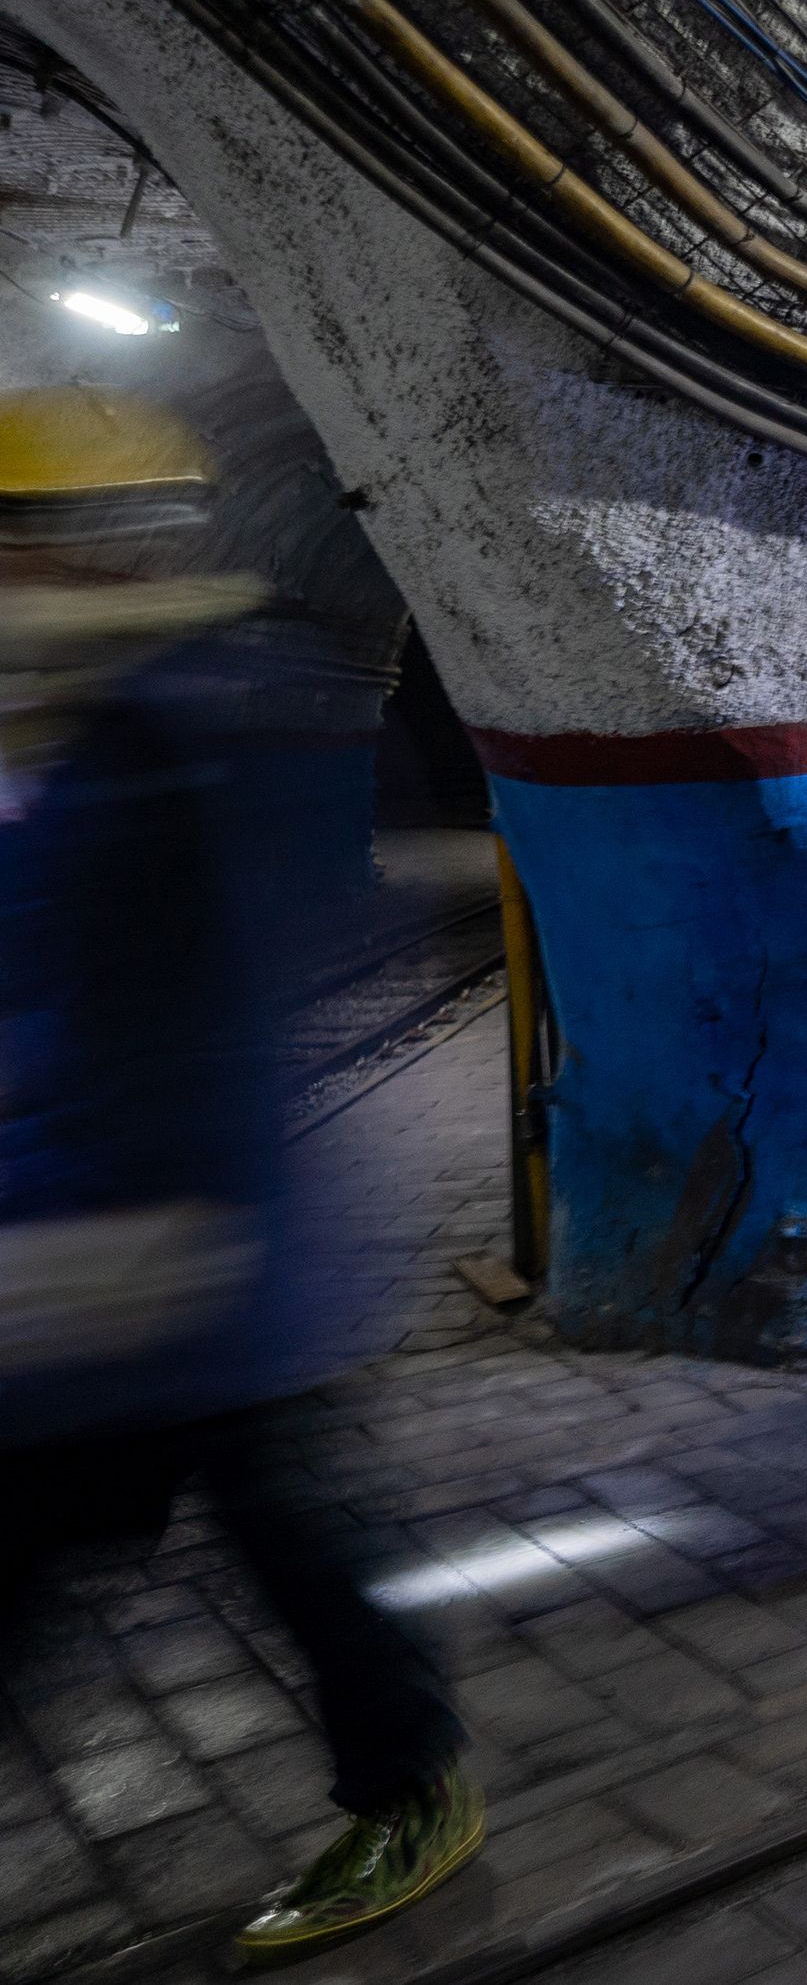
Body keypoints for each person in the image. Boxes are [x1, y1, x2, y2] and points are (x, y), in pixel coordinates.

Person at [1, 388, 476, 1956]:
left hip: (181, 1249)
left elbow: (256, 974)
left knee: (273, 1535)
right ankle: (410, 1775)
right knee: (159, 1545)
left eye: (31, 540)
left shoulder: (198, 720)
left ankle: (412, 1786)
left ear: (99, 542)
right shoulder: (77, 725)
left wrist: (151, 1211)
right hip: (89, 1247)